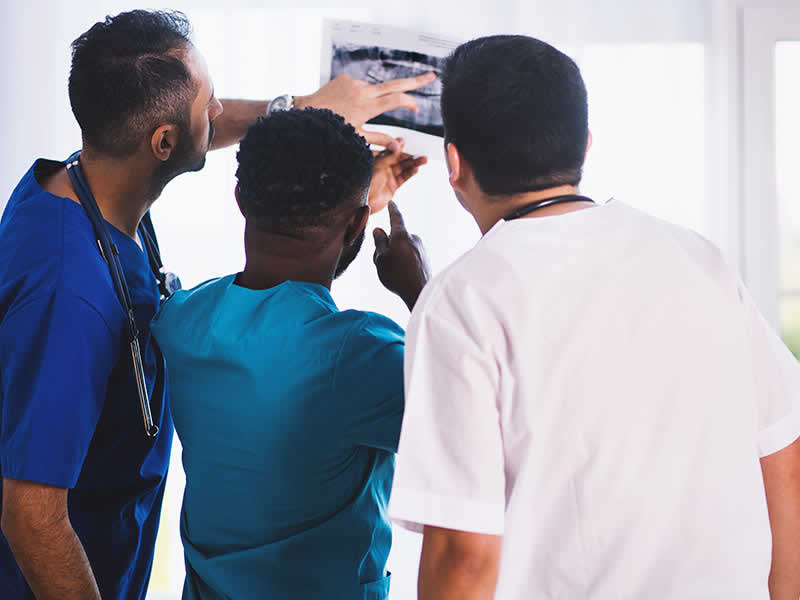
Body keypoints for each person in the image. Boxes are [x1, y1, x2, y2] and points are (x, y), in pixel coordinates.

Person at [0, 9, 433, 600]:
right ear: (163, 143)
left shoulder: (102, 208)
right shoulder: (67, 292)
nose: (222, 111)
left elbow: (192, 140)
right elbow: (30, 514)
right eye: (209, 103)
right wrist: (417, 287)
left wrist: (307, 121)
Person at [387, 35, 800, 600]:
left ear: (453, 163)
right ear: (584, 144)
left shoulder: (461, 300)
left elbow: (464, 554)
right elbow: (784, 458)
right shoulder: (698, 258)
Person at [149, 107, 429, 600]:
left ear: (240, 199)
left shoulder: (181, 320)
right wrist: (421, 293)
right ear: (358, 224)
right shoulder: (360, 356)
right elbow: (478, 426)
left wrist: (349, 209)